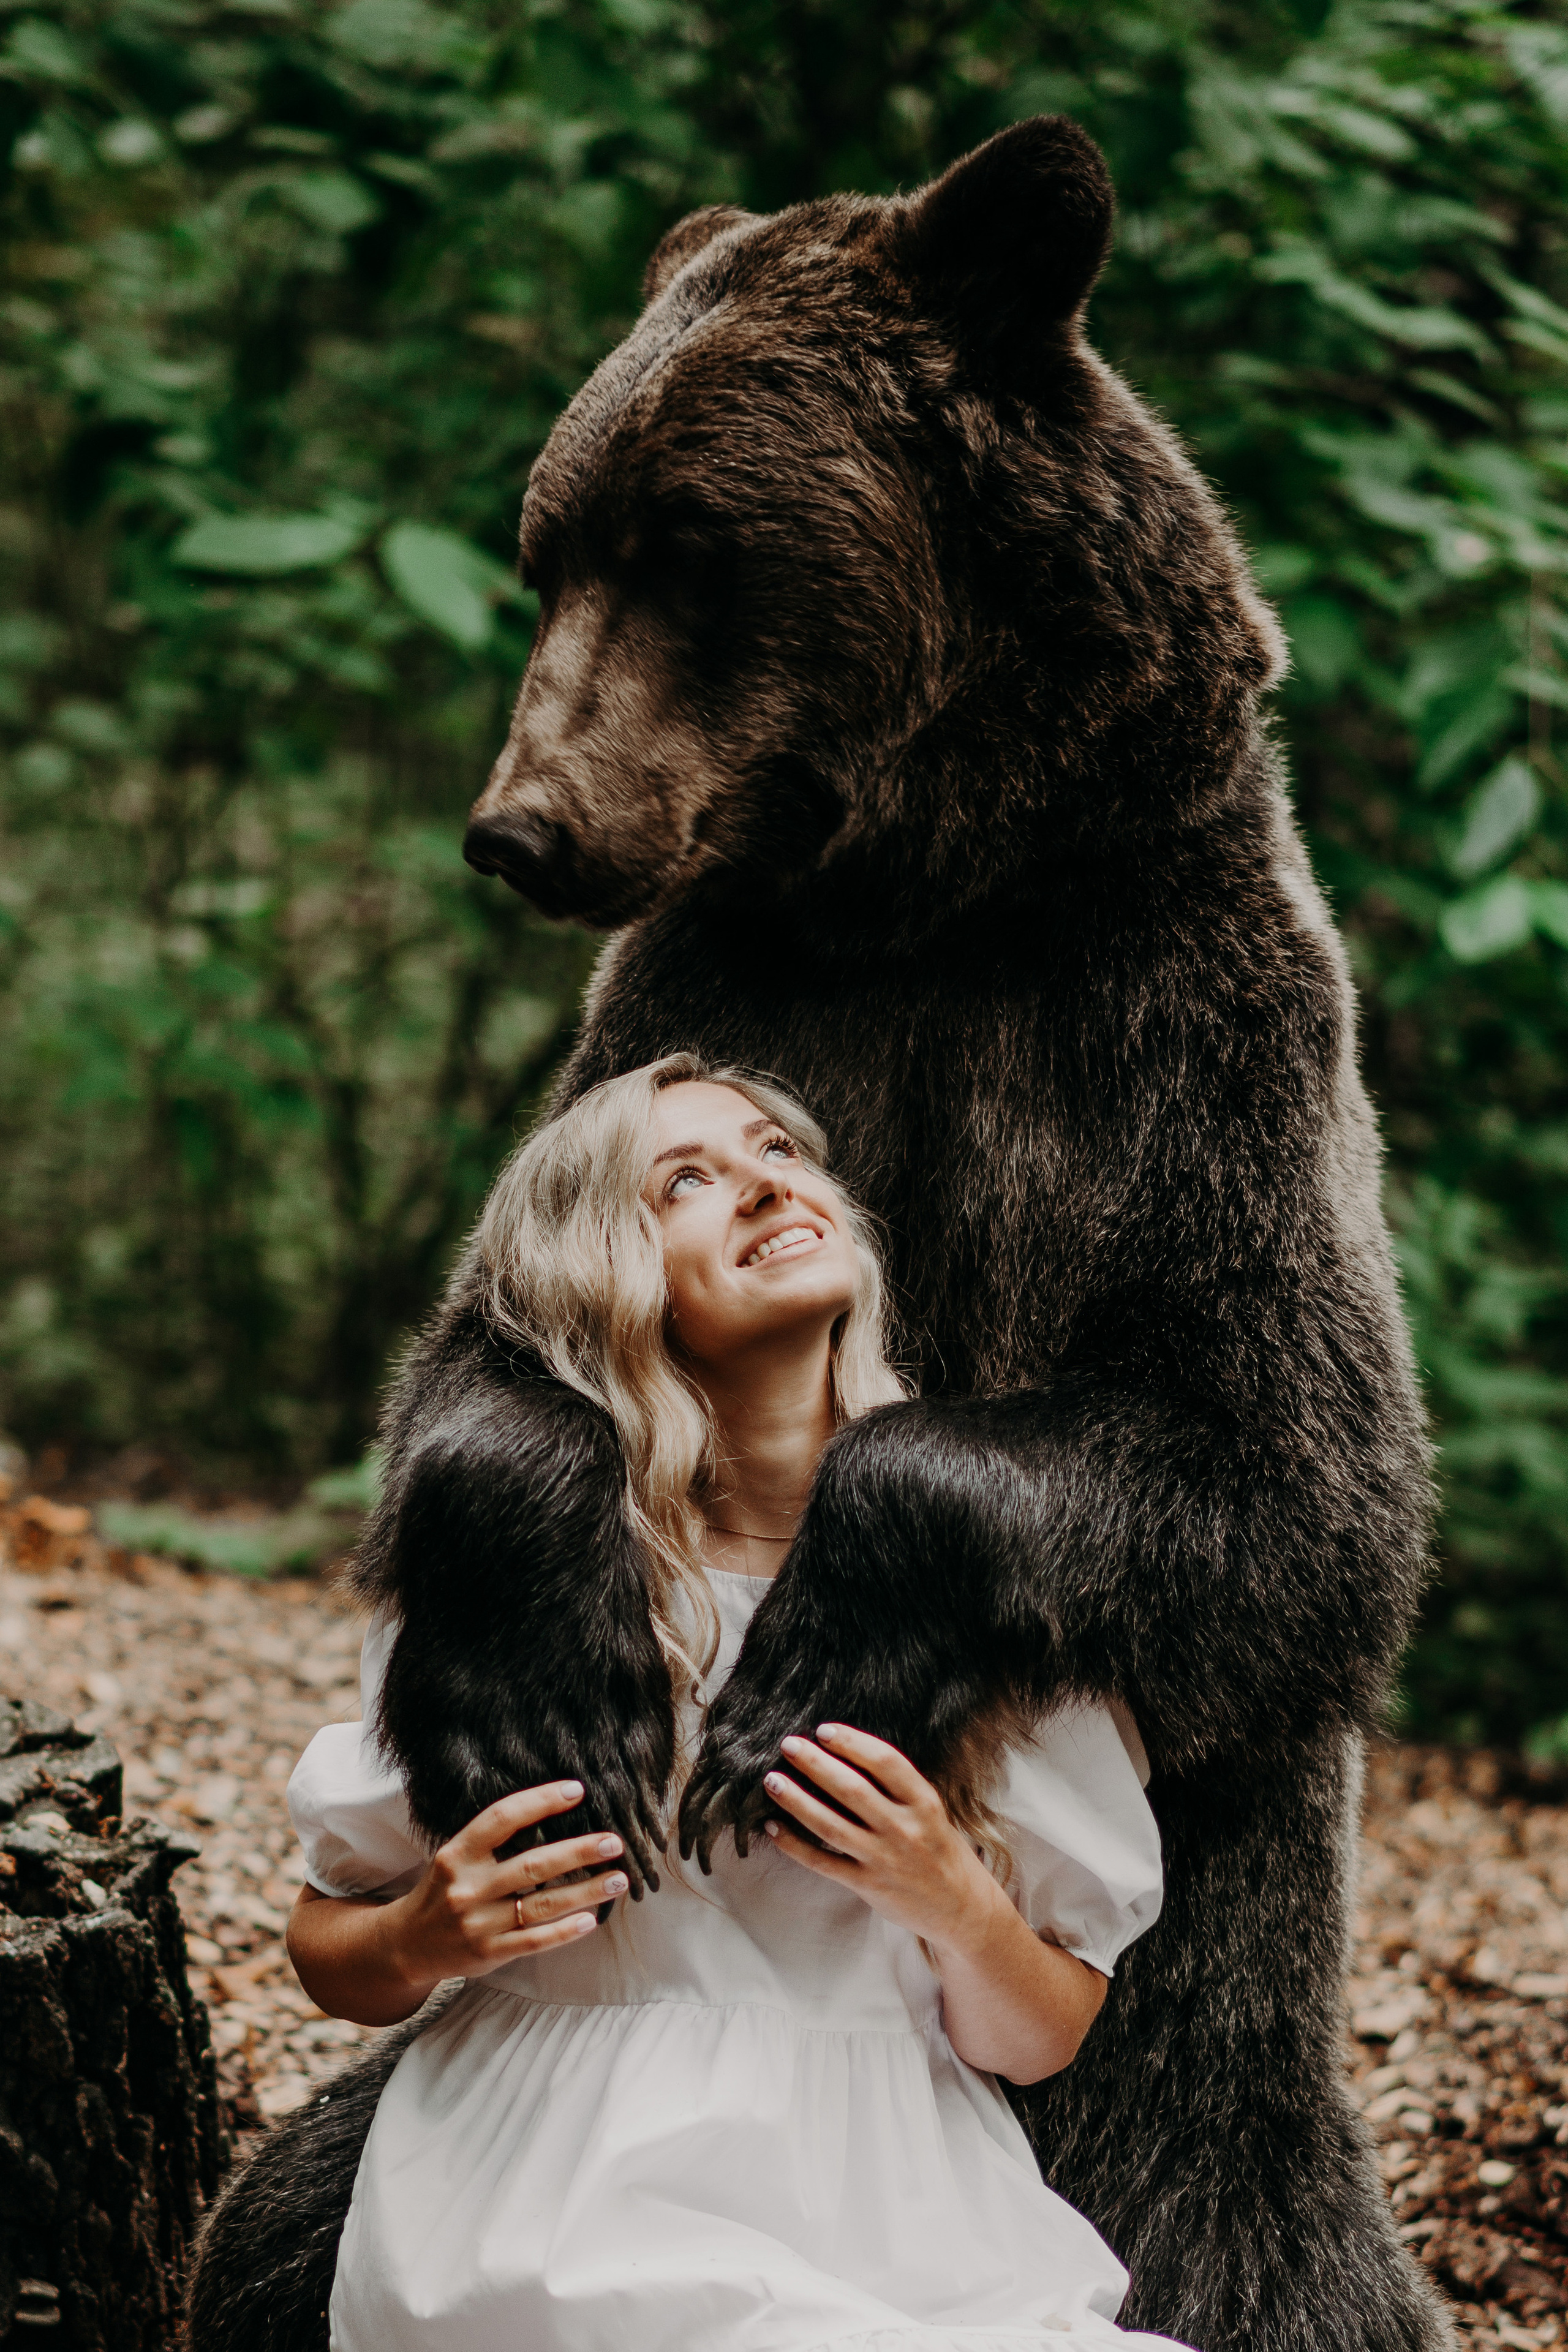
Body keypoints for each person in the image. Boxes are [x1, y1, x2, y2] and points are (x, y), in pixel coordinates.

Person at [285, 1054, 1189, 2352]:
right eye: (687, 1180)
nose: (766, 1184)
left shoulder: (978, 1563)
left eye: (779, 1152)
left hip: (901, 2213)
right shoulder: (521, 1563)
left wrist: (945, 1892)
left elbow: (1038, 2037)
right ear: (599, 1270)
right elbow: (328, 1942)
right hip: (554, 2196)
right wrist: (430, 1929)